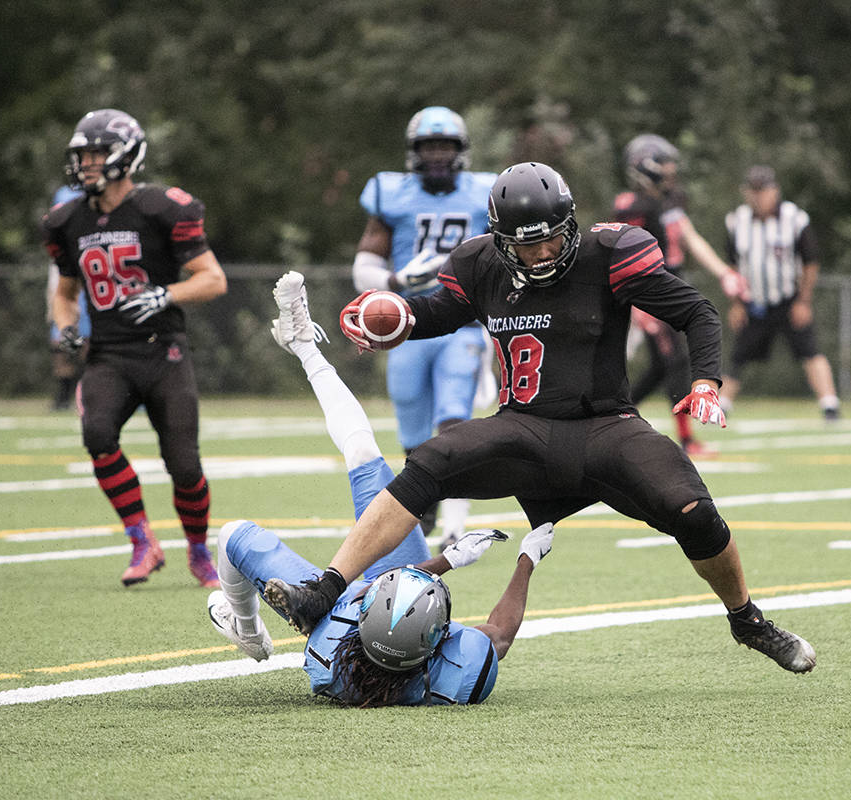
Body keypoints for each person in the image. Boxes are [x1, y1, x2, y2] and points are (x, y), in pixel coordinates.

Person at [266, 162, 817, 675]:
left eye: (553, 236)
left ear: (570, 223)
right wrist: (399, 317)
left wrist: (704, 381)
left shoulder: (610, 252)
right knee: (429, 460)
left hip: (607, 425)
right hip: (523, 426)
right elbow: (440, 312)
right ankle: (325, 588)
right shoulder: (481, 265)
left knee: (693, 512)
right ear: (502, 241)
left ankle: (748, 621)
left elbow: (695, 311)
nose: (544, 252)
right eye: (526, 245)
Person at [204, 270, 555, 707]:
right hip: (363, 617)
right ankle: (303, 346)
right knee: (363, 454)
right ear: (434, 645)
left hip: (332, 613)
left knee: (235, 533)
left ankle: (246, 629)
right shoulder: (452, 677)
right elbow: (498, 634)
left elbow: (376, 593)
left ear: (363, 611)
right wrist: (524, 558)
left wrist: (467, 561)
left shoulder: (333, 641)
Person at [43, 108, 227, 588]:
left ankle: (199, 552)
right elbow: (64, 293)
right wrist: (65, 327)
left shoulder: (162, 207)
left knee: (184, 465)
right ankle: (141, 540)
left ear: (126, 156)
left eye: (97, 154)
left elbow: (213, 280)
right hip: (108, 353)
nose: (87, 164)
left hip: (163, 350)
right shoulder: (66, 220)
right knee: (97, 433)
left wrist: (166, 294)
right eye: (82, 156)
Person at [350, 106, 498, 547]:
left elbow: (506, 255)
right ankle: (426, 495)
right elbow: (364, 266)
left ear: (461, 151)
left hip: (464, 322)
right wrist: (396, 282)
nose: (437, 156)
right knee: (413, 427)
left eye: (445, 147)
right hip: (409, 321)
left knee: (453, 416)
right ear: (414, 152)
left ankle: (455, 523)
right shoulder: (391, 195)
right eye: (429, 147)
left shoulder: (485, 195)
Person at [613, 134, 749, 456]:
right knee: (675, 361)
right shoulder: (632, 206)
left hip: (670, 284)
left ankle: (617, 416)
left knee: (663, 366)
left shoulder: (670, 201)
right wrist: (636, 302)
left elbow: (691, 238)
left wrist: (725, 273)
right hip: (645, 290)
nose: (671, 171)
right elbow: (619, 256)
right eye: (664, 164)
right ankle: (686, 439)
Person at [718, 166, 841, 421]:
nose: (758, 197)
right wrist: (737, 303)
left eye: (762, 191)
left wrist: (804, 300)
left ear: (775, 191)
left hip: (788, 300)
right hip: (754, 302)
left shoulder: (794, 218)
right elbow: (732, 266)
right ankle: (720, 406)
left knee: (810, 350)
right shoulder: (736, 221)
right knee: (739, 355)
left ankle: (830, 405)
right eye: (753, 191)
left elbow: (810, 262)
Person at [45, 185, 89, 411]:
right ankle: (63, 397)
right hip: (65, 281)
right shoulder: (63, 195)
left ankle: (90, 391)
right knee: (60, 343)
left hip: (89, 284)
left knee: (89, 345)